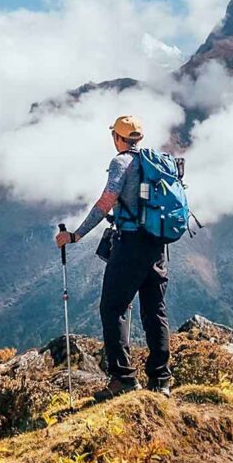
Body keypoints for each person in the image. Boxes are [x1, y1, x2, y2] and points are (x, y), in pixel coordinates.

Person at [54, 115, 172, 400]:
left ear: (118, 138)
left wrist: (76, 235)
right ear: (139, 138)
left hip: (130, 244)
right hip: (157, 244)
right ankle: (161, 380)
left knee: (112, 308)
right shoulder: (155, 162)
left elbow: (105, 202)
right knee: (154, 310)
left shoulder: (121, 163)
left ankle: (123, 379)